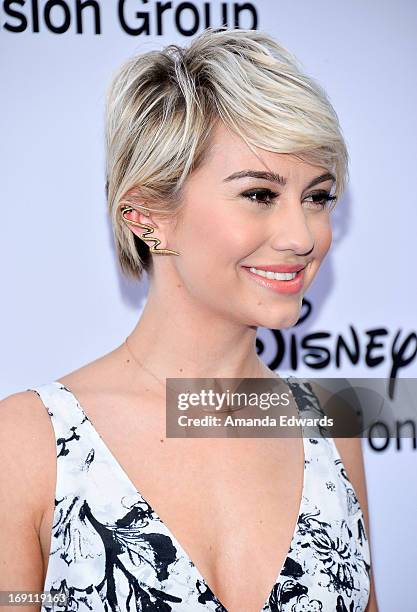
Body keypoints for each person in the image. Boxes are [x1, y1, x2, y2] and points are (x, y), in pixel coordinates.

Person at [0, 27, 378, 612]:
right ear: (147, 216)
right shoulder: (25, 444)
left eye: (318, 196)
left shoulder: (332, 425)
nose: (303, 237)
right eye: (259, 194)